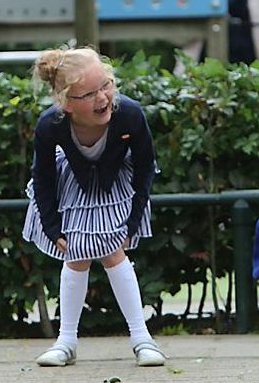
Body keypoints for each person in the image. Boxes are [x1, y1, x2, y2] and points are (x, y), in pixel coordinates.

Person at [22, 47, 165, 368]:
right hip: (73, 179)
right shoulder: (50, 125)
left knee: (114, 251)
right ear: (65, 102)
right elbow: (42, 175)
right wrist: (51, 224)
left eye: (107, 85)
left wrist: (133, 219)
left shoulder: (129, 114)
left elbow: (145, 167)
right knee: (76, 254)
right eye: (89, 94)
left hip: (115, 179)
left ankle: (142, 338)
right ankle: (66, 341)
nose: (103, 98)